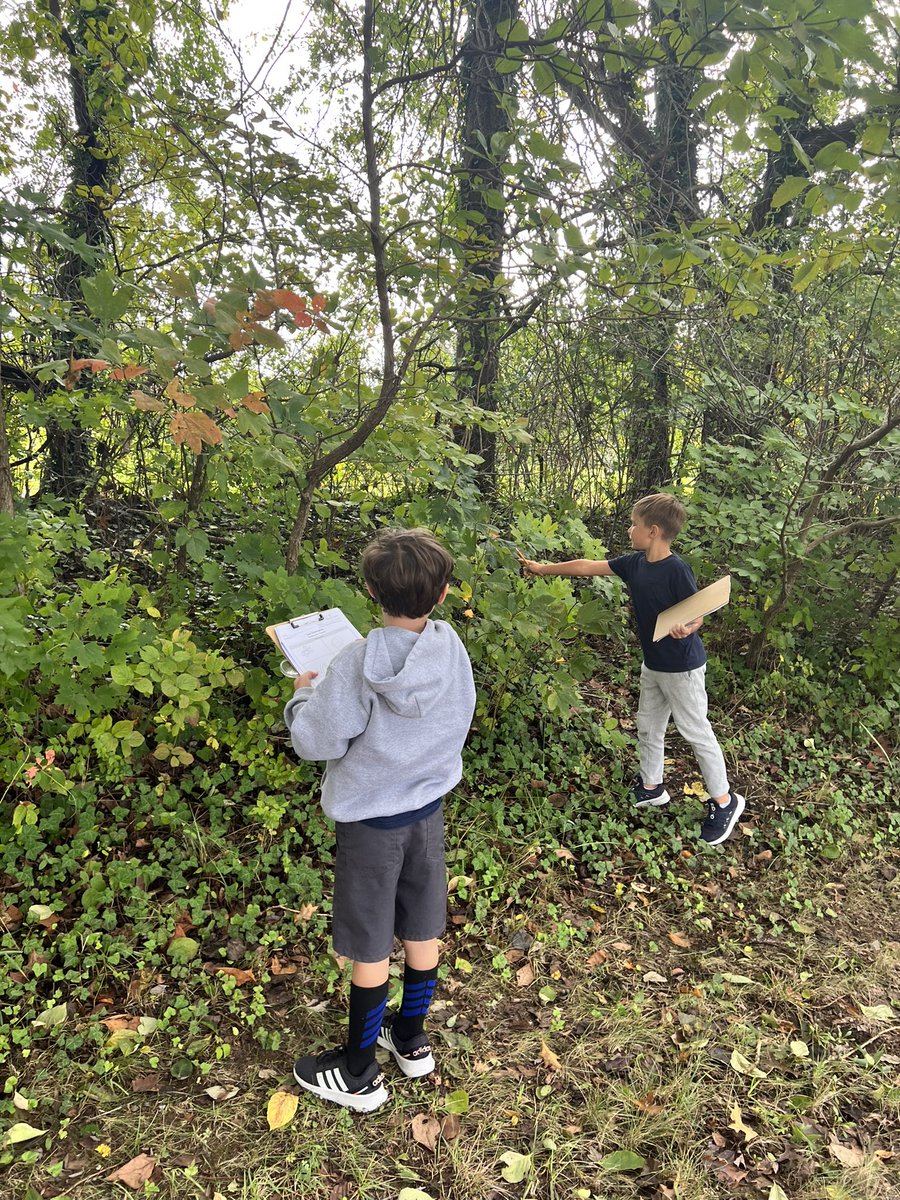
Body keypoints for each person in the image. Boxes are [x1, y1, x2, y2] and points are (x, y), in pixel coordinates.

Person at [283, 527, 476, 1111]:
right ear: (443, 593)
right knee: (422, 925)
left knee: (369, 944)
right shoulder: (449, 648)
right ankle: (411, 1038)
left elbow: (316, 740)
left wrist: (299, 697)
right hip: (427, 809)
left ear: (370, 590)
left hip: (371, 825)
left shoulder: (355, 663)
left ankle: (360, 1069)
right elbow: (460, 713)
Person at [518, 493, 744, 846]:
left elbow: (697, 611)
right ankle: (652, 787)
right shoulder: (635, 563)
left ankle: (725, 801)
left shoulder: (676, 569)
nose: (629, 530)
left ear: (653, 531)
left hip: (681, 667)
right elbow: (586, 566)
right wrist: (540, 568)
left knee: (696, 731)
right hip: (653, 664)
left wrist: (690, 626)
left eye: (634, 524)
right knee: (648, 726)